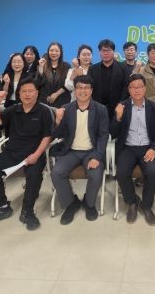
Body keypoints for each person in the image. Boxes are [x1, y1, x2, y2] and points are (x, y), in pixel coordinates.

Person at [0, 77, 53, 230]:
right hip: (11, 151)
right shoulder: (13, 110)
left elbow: (47, 136)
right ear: (19, 94)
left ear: (37, 93)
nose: (27, 94)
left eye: (30, 91)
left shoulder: (44, 111)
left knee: (34, 174)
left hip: (33, 153)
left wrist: (36, 155)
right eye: (23, 91)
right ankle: (1, 207)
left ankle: (27, 211)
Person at [51, 75, 109, 224]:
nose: (83, 91)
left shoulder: (101, 109)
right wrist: (58, 121)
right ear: (74, 90)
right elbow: (57, 135)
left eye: (86, 88)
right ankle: (71, 204)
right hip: (71, 151)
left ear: (91, 90)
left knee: (96, 174)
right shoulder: (66, 108)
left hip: (91, 151)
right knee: (56, 173)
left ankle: (89, 204)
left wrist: (97, 156)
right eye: (79, 88)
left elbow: (103, 135)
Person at [111, 74, 155, 225]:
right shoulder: (122, 106)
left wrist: (154, 149)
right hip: (128, 148)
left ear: (145, 88)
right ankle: (132, 202)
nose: (137, 90)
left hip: (148, 148)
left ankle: (146, 206)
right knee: (121, 173)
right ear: (129, 90)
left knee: (152, 172)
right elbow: (112, 132)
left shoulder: (154, 107)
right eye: (133, 87)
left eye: (140, 86)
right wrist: (118, 118)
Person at [88, 39, 128, 120]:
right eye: (103, 51)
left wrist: (121, 103)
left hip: (117, 108)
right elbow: (88, 87)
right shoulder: (92, 69)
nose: (106, 53)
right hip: (97, 107)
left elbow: (126, 87)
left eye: (109, 50)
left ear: (114, 51)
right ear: (99, 52)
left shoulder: (123, 67)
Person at [36, 42, 71, 107]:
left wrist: (56, 94)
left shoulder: (66, 66)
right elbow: (38, 84)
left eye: (57, 51)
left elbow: (68, 84)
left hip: (62, 102)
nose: (54, 53)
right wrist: (41, 68)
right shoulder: (42, 65)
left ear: (61, 52)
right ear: (48, 52)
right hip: (44, 102)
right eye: (51, 50)